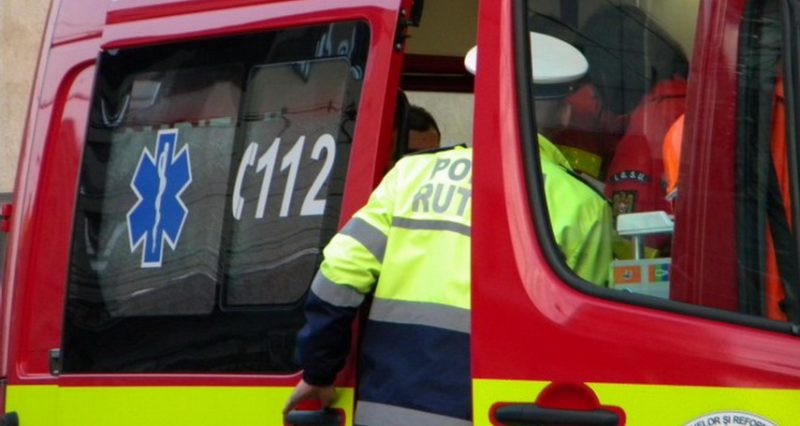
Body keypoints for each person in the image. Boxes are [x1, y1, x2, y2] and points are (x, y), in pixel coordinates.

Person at [283, 32, 613, 425]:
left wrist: (319, 372)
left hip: (387, 410)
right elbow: (581, 334)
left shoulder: (411, 173)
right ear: (564, 111)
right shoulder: (582, 204)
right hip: (499, 411)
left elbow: (339, 275)